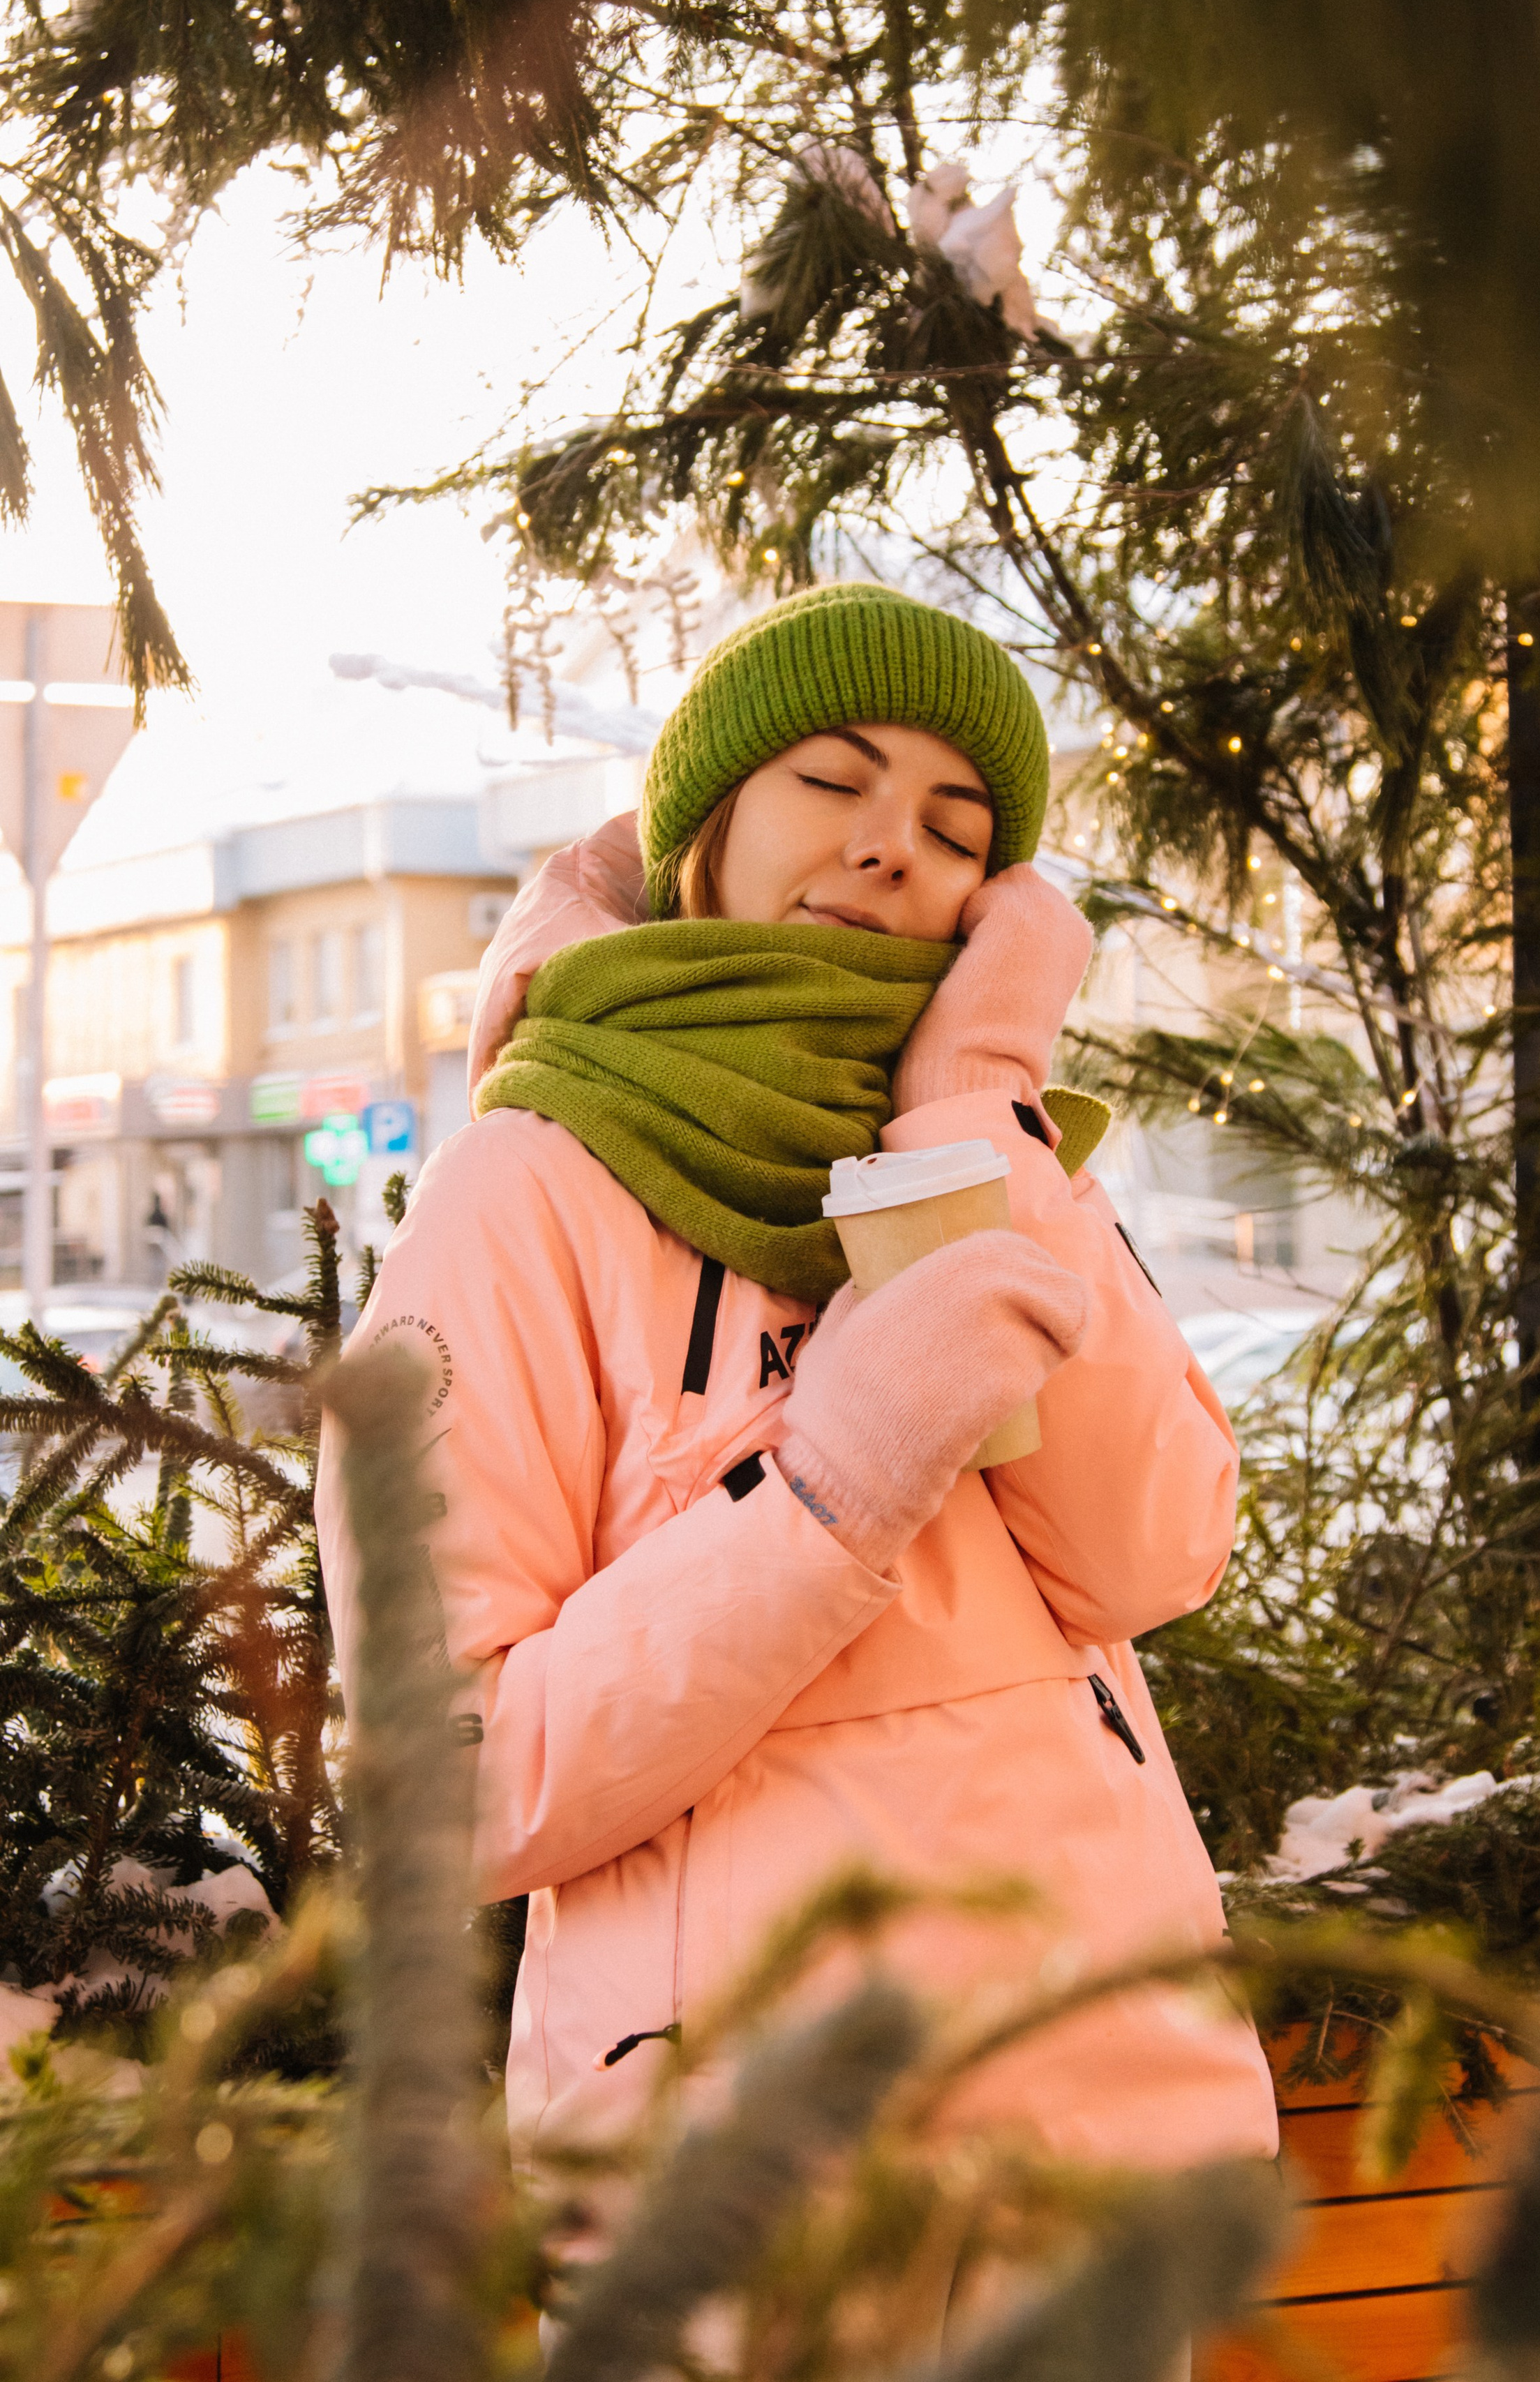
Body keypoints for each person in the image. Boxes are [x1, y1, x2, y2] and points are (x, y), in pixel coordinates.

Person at [315, 582, 1276, 2221]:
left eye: (955, 827)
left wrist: (970, 1116)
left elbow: (1153, 1558)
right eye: (833, 785)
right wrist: (826, 1489)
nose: (892, 846)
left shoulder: (989, 1147)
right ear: (705, 822)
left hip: (1097, 2134)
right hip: (735, 2188)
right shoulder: (521, 1191)